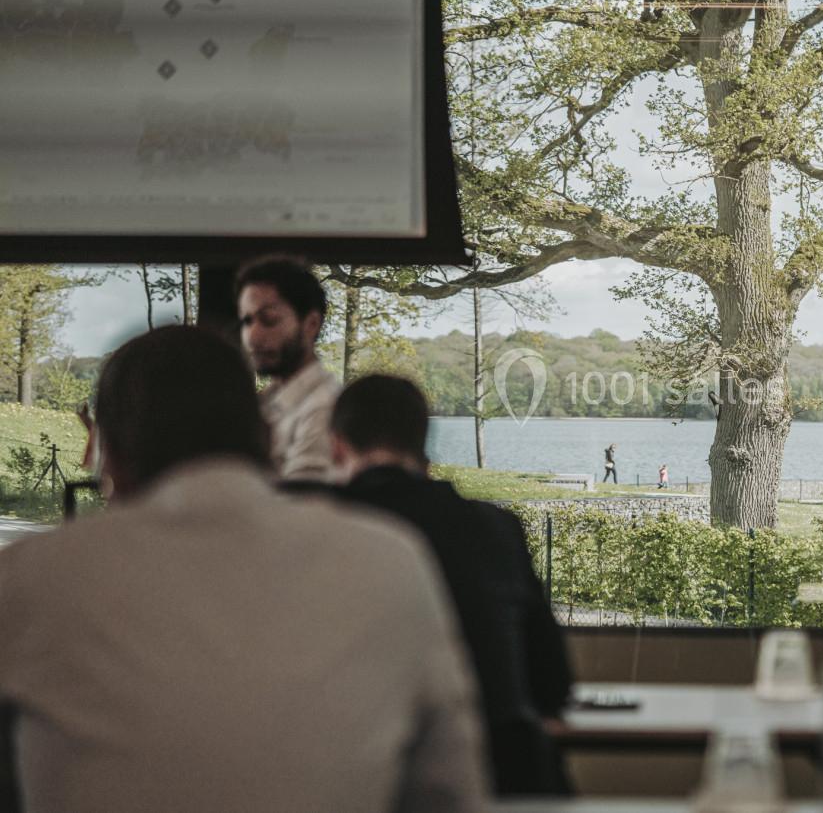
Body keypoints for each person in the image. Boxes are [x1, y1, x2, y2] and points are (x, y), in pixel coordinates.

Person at [0, 327, 488, 813]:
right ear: (268, 437)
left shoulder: (33, 576)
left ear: (111, 457)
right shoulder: (390, 561)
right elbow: (450, 792)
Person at [330, 375, 574, 796]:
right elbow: (552, 683)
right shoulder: (496, 529)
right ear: (423, 447)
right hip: (505, 778)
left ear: (336, 447)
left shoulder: (323, 530)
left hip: (368, 780)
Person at [236, 254, 340, 481]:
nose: (252, 336)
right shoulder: (263, 402)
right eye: (247, 321)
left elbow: (302, 504)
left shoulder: (325, 407)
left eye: (269, 319)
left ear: (311, 324)